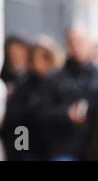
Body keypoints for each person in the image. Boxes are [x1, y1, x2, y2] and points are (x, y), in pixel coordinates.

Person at [40, 27, 98, 161]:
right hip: (64, 148)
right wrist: (66, 114)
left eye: (81, 41)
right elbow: (42, 113)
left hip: (92, 148)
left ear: (89, 43)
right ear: (67, 46)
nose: (77, 46)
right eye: (72, 42)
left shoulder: (96, 76)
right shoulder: (54, 78)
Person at [0, 37, 59, 160]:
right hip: (28, 146)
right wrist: (21, 149)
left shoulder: (58, 83)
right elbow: (16, 120)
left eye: (43, 58)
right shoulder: (24, 85)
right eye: (34, 58)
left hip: (53, 147)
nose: (38, 63)